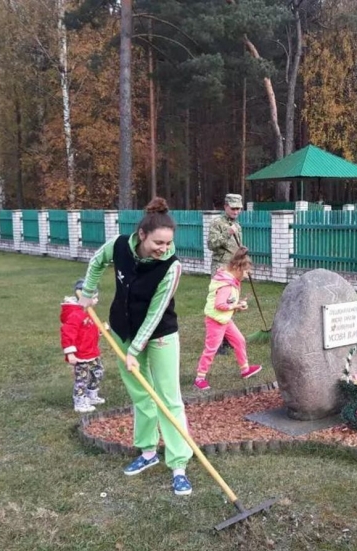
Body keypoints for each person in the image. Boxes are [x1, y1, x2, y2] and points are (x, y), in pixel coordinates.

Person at [77, 197, 194, 496]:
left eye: (168, 243)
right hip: (122, 330)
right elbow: (96, 262)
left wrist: (135, 349)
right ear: (142, 235)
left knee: (169, 398)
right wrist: (88, 292)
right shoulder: (118, 246)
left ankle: (178, 465)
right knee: (141, 395)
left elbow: (156, 313)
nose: (163, 249)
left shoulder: (171, 266)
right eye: (158, 242)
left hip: (160, 335)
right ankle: (147, 452)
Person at [194, 247, 262, 391]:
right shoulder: (226, 285)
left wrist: (236, 305)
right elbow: (220, 305)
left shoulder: (228, 278)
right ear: (237, 268)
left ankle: (245, 370)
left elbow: (226, 303)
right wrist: (236, 305)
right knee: (211, 349)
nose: (245, 276)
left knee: (239, 340)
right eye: (244, 273)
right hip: (216, 320)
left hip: (224, 319)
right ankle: (199, 378)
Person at [60, 280, 105, 413]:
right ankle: (80, 401)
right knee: (82, 378)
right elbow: (67, 334)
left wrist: (100, 330)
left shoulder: (87, 311)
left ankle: (91, 394)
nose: (96, 300)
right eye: (94, 297)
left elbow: (88, 328)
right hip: (81, 355)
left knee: (98, 371)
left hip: (92, 352)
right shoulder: (75, 314)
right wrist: (70, 353)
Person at [208, 193, 244, 355]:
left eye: (239, 209)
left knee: (232, 302)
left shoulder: (237, 225)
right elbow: (212, 244)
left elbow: (234, 247)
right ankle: (217, 343)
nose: (236, 211)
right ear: (225, 207)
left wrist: (242, 253)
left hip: (234, 269)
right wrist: (228, 233)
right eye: (233, 208)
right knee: (220, 304)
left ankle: (227, 337)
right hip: (221, 269)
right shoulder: (218, 223)